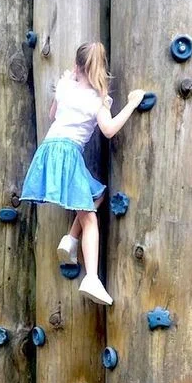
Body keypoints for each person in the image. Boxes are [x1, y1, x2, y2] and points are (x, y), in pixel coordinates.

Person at [20, 41, 144, 306]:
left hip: (49, 149)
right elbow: (109, 130)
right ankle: (92, 278)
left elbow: (52, 114)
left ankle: (70, 239)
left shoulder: (66, 87)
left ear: (77, 65)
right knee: (90, 219)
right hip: (68, 153)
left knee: (96, 195)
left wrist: (64, 86)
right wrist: (132, 104)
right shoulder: (97, 100)